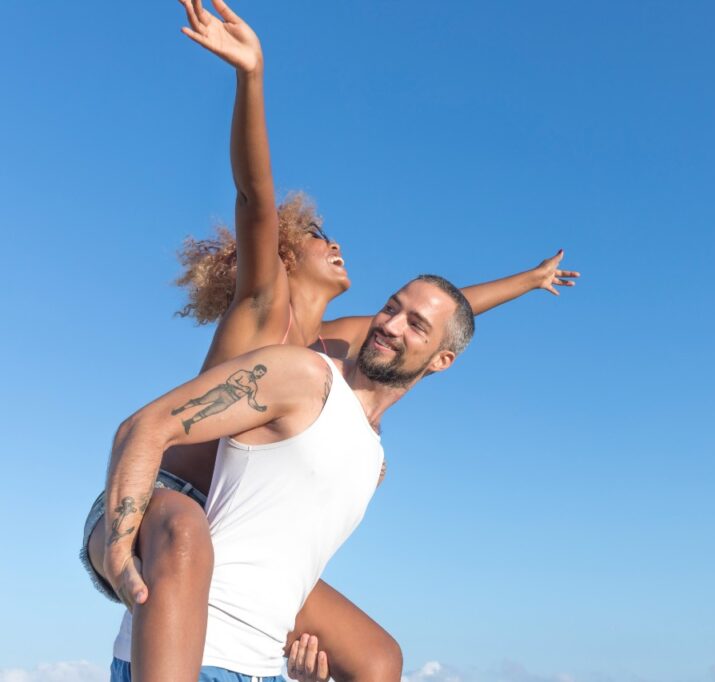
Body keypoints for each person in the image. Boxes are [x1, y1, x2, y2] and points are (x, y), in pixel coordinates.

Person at [81, 1, 579, 681]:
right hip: (161, 499)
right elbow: (256, 197)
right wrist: (250, 79)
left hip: (237, 530)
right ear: (285, 257)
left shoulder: (335, 346)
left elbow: (439, 319)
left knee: (377, 659)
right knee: (190, 537)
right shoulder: (264, 309)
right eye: (318, 236)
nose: (336, 242)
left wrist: (527, 281)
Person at [103, 274, 475, 682]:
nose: (389, 325)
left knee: (383, 663)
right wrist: (117, 552)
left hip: (264, 669)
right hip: (190, 655)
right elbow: (145, 427)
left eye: (415, 324)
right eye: (391, 307)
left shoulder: (374, 457)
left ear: (441, 360)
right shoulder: (304, 376)